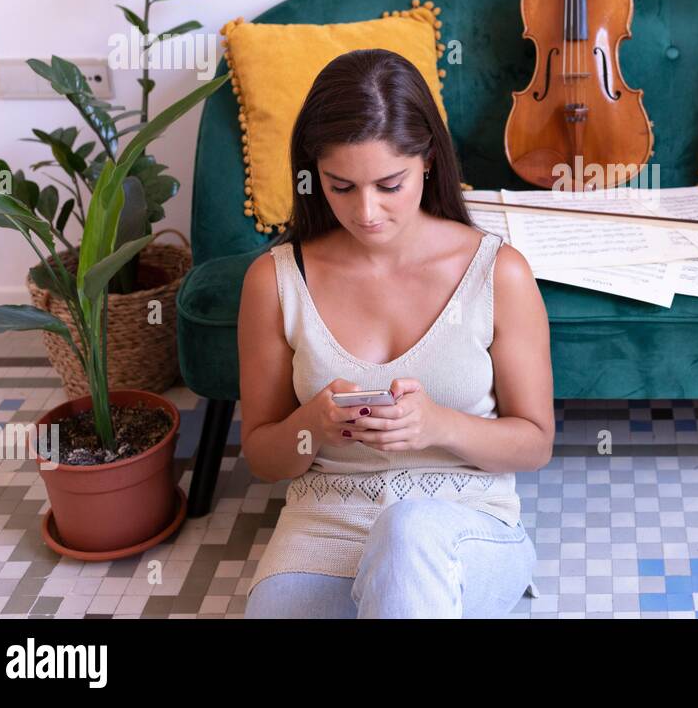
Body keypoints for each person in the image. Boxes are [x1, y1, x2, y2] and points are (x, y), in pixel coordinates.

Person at [237, 48, 554, 618]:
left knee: (409, 531)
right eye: (340, 186)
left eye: (390, 184)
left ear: (429, 161)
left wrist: (437, 424)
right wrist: (314, 423)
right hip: (325, 528)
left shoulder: (497, 272)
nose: (366, 212)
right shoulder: (275, 281)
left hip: (463, 524)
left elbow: (534, 444)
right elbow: (263, 456)